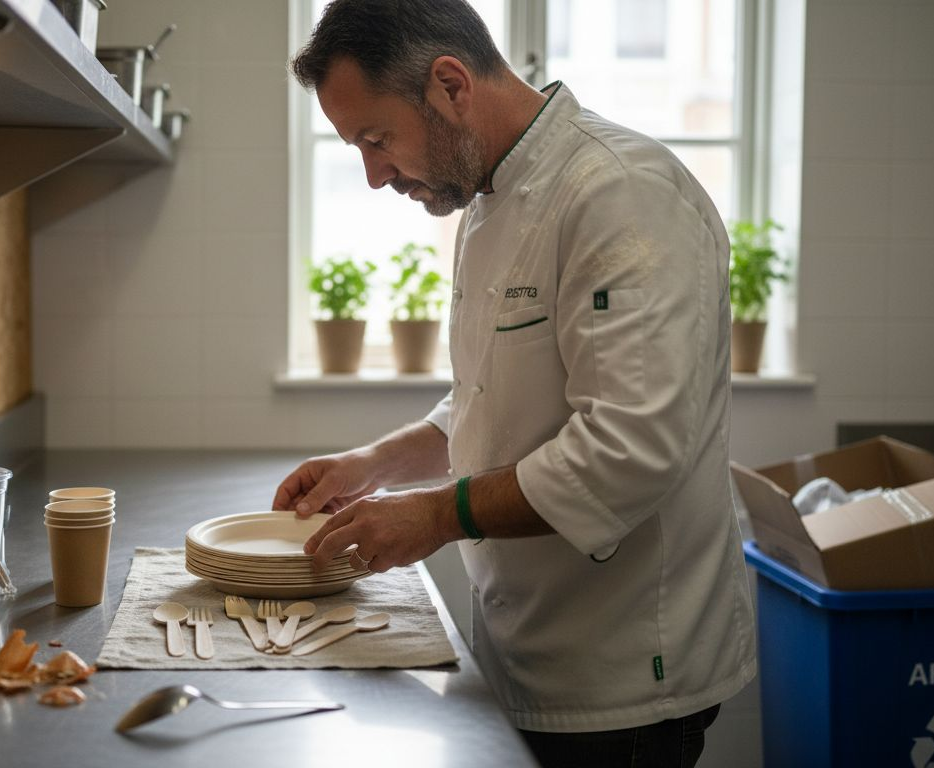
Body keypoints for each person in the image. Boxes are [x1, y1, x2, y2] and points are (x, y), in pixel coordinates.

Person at [275, 1, 756, 766]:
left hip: (622, 679)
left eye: (376, 139)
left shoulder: (621, 194)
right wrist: (373, 466)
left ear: (450, 85)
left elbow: (629, 450)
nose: (372, 176)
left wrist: (433, 516)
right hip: (521, 652)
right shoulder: (487, 196)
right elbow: (489, 401)